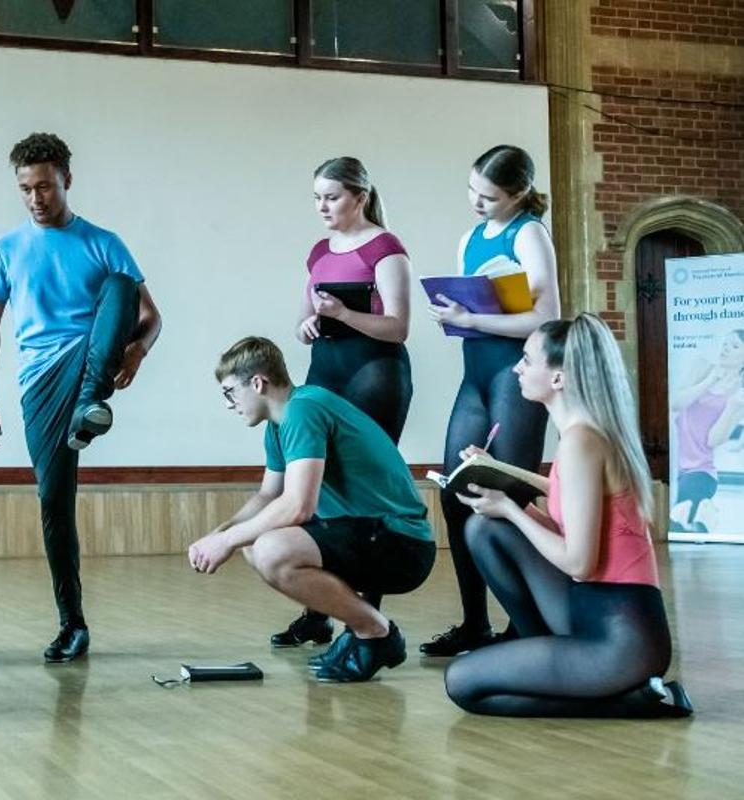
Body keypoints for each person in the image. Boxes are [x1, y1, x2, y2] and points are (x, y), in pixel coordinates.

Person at [444, 314, 692, 718]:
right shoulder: (585, 435)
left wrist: (511, 507)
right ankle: (568, 669)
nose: (517, 368)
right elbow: (565, 495)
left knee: (463, 684)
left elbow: (579, 562)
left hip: (620, 639)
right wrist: (500, 474)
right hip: (596, 613)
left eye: (527, 359)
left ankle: (624, 698)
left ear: (558, 378)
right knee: (485, 529)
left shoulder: (582, 441)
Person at [0, 132, 162, 663]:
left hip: (92, 357)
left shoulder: (103, 242)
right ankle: (72, 623)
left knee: (121, 287)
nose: (37, 199)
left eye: (46, 187)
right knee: (54, 500)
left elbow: (150, 315)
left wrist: (137, 352)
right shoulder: (6, 249)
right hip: (39, 380)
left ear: (66, 182)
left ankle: (88, 404)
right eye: (27, 189)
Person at [190, 337, 435, 682]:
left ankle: (376, 633)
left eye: (230, 392)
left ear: (258, 383)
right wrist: (220, 534)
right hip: (366, 533)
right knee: (253, 543)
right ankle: (361, 630)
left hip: (402, 543)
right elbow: (267, 496)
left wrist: (227, 541)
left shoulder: (303, 410)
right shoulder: (278, 425)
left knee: (272, 549)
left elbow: (297, 506)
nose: (229, 404)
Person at [423, 144, 561, 657]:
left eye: (488, 196)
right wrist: (455, 313)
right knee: (455, 489)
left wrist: (472, 319)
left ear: (519, 193)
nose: (476, 203)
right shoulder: (470, 237)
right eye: (472, 191)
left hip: (513, 377)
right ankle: (473, 621)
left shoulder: (528, 232)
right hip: (475, 375)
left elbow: (547, 316)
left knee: (508, 495)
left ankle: (525, 620)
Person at [271, 156, 415, 649]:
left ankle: (367, 621)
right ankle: (319, 611)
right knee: (316, 489)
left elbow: (397, 327)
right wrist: (309, 324)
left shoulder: (386, 248)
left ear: (360, 197)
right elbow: (300, 320)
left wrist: (345, 313)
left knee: (366, 495)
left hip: (375, 372)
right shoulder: (317, 251)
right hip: (327, 368)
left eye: (331, 197)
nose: (322, 207)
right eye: (317, 198)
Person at [669, 330, 744, 534]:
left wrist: (733, 408)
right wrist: (710, 380)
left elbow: (713, 440)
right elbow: (676, 403)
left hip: (700, 472)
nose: (726, 348)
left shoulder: (738, 394)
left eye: (735, 346)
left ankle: (705, 516)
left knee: (677, 523)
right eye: (726, 344)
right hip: (672, 465)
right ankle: (706, 514)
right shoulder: (702, 365)